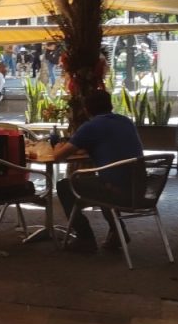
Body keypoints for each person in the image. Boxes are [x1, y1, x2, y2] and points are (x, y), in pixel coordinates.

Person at [54, 90, 144, 252]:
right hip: (140, 188)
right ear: (111, 105)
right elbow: (112, 146)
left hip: (116, 191)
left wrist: (58, 145)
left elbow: (58, 156)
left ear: (86, 109)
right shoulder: (125, 122)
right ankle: (118, 232)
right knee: (102, 180)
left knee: (65, 186)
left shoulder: (91, 127)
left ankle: (85, 238)